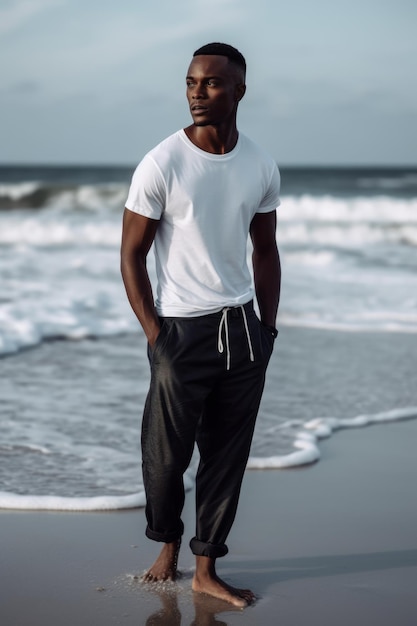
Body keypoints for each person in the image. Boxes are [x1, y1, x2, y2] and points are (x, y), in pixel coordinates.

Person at [121, 42, 281, 608]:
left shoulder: (260, 163)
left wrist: (269, 328)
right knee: (165, 457)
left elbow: (266, 250)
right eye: (191, 82)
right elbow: (131, 255)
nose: (197, 92)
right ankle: (165, 544)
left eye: (212, 83)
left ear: (239, 90)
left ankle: (206, 566)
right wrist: (156, 336)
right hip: (181, 332)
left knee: (226, 456)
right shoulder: (162, 162)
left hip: (241, 329)